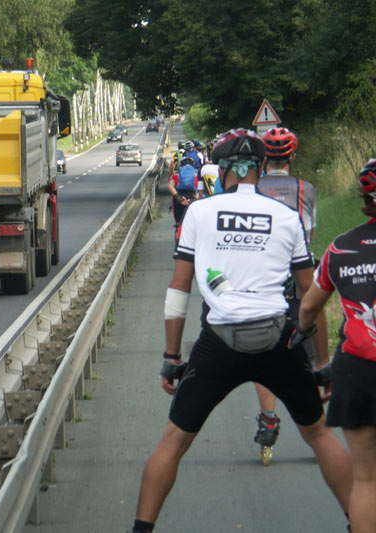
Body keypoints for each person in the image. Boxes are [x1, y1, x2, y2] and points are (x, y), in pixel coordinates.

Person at [129, 129, 352, 533]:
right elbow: (308, 295)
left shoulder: (199, 212)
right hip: (278, 338)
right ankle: (361, 521)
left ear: (224, 170)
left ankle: (141, 529)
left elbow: (179, 287)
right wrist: (321, 364)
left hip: (219, 343)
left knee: (173, 442)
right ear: (261, 170)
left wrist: (171, 357)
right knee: (319, 436)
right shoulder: (286, 217)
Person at [296, 158, 376, 532]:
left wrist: (304, 332)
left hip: (357, 371)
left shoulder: (341, 248)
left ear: (365, 197)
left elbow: (310, 306)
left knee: (366, 480)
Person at [249, 126, 329, 464]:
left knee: (264, 356)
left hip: (262, 281)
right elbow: (308, 235)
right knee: (310, 345)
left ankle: (268, 418)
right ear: (292, 157)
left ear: (266, 159)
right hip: (297, 281)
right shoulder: (306, 190)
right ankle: (318, 417)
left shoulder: (251, 189)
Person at [168, 157, 198, 239]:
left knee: (179, 225)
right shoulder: (196, 175)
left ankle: (177, 246)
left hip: (179, 198)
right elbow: (199, 190)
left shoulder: (176, 175)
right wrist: (193, 200)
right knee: (192, 225)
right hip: (192, 198)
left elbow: (170, 186)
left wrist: (178, 197)